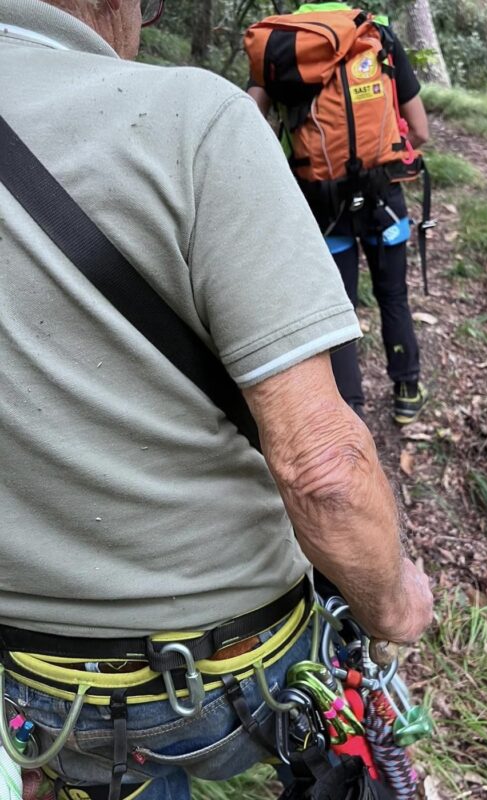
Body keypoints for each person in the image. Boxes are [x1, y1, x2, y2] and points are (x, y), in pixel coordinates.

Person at [0, 1, 433, 799]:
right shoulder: (188, 117)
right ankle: (408, 391)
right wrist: (397, 604)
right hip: (240, 667)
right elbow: (324, 470)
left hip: (34, 682)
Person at [247, 1, 430, 425]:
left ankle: (352, 409)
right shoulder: (378, 33)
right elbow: (420, 129)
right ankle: (406, 390)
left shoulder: (283, 43)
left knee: (339, 308)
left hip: (321, 203)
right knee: (394, 297)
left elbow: (248, 118)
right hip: (383, 198)